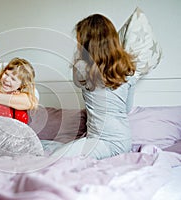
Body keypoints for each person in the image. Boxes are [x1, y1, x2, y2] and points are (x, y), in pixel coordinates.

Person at [46, 14, 137, 160]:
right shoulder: (129, 71)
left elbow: (78, 80)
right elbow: (126, 109)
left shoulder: (82, 69)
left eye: (79, 41)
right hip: (124, 141)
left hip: (104, 142)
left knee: (55, 159)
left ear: (87, 43)